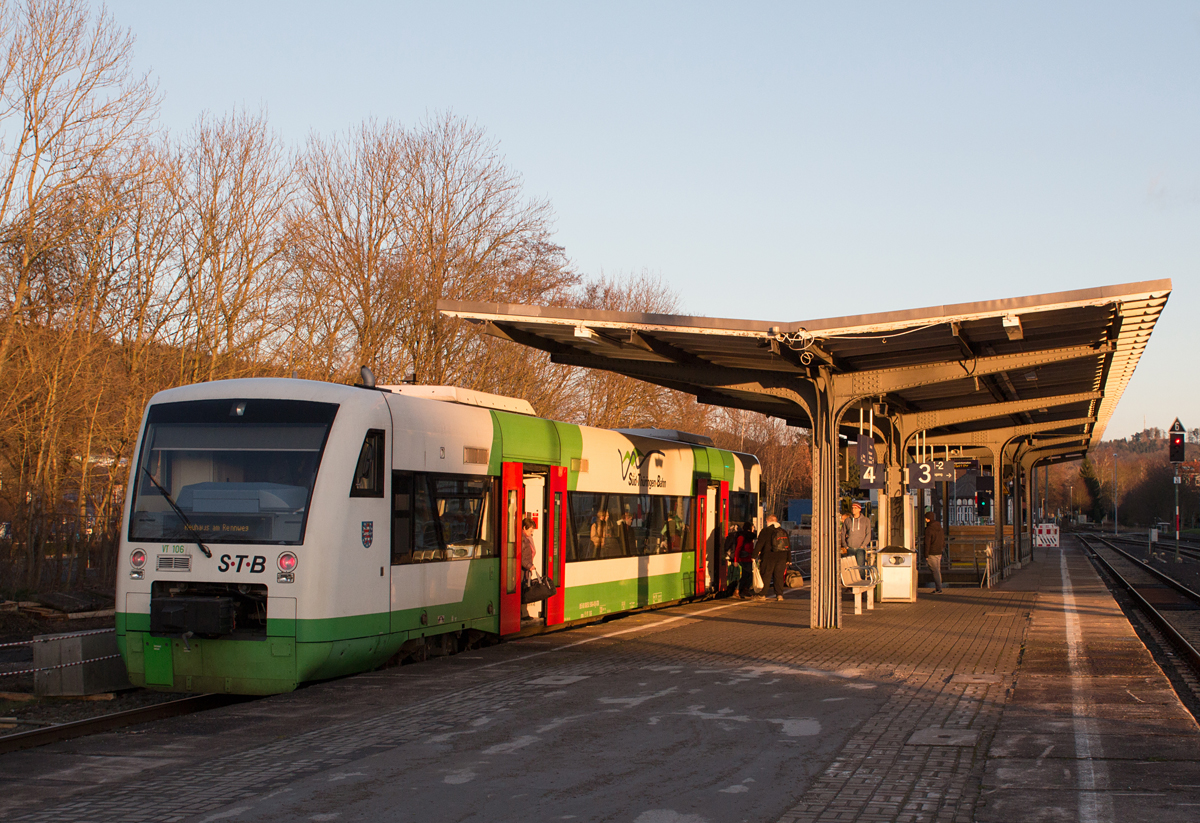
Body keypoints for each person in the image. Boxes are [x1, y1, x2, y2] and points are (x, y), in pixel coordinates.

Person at [753, 515, 790, 602]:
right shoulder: (783, 531)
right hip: (782, 557)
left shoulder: (765, 531)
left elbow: (760, 544)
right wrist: (788, 559)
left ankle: (762, 595)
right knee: (779, 576)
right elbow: (788, 546)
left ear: (768, 521)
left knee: (766, 575)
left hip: (768, 556)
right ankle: (779, 595)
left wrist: (754, 555)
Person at [841, 502, 872, 577]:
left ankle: (861, 584)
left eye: (855, 508)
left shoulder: (866, 520)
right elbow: (843, 533)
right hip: (850, 547)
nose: (853, 509)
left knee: (860, 567)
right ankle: (852, 586)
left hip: (860, 548)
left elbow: (868, 534)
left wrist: (863, 545)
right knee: (850, 568)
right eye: (852, 508)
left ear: (859, 509)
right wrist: (845, 545)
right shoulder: (848, 520)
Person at [733, 521, 756, 599]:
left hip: (749, 558)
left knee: (748, 575)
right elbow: (738, 548)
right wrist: (736, 560)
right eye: (752, 527)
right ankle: (738, 590)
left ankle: (743, 590)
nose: (753, 529)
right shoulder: (742, 536)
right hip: (743, 558)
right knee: (746, 575)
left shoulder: (749, 536)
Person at [924, 511, 945, 594]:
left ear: (928, 519)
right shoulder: (939, 528)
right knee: (937, 570)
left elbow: (927, 543)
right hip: (939, 551)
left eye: (926, 518)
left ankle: (939, 588)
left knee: (934, 570)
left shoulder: (929, 529)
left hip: (932, 552)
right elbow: (942, 540)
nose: (925, 519)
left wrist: (926, 554)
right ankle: (939, 587)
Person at [521, 515, 537, 618]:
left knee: (525, 590)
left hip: (526, 569)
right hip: (523, 570)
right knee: (524, 591)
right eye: (530, 530)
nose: (531, 533)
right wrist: (529, 566)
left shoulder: (527, 538)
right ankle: (523, 614)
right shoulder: (522, 539)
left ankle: (524, 613)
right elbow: (520, 556)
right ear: (524, 528)